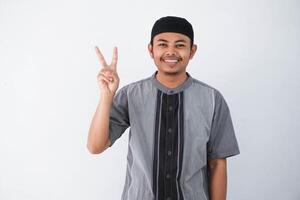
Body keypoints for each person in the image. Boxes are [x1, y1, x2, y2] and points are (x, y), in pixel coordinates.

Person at [87, 16, 240, 200]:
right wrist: (106, 95)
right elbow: (95, 146)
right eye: (162, 44)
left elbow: (217, 164)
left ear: (192, 51)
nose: (171, 51)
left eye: (180, 45)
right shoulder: (131, 95)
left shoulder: (213, 99)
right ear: (151, 50)